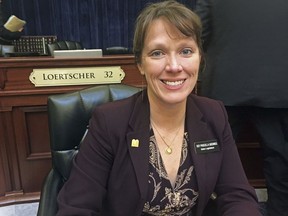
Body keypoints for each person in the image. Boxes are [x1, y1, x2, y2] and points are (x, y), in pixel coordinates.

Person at [56, 1, 261, 215]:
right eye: (157, 53)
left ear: (200, 57)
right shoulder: (109, 122)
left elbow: (237, 195)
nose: (174, 66)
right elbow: (76, 208)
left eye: (186, 51)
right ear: (140, 64)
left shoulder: (214, 115)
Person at [195, 0, 288, 215]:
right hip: (278, 88)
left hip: (225, 86)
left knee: (209, 159)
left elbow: (200, 32)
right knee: (280, 164)